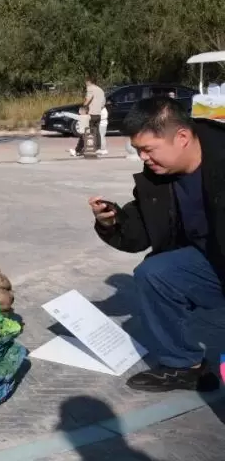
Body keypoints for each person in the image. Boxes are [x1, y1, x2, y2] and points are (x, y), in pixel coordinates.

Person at [89, 97, 225, 392]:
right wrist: (111, 222)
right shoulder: (159, 176)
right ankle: (184, 367)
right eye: (138, 151)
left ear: (182, 137)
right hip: (211, 263)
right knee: (155, 272)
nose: (144, 158)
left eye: (148, 150)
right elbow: (140, 230)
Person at [84, 75, 106, 155]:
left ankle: (89, 147)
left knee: (89, 131)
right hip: (98, 113)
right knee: (97, 131)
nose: (86, 84)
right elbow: (103, 103)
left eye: (86, 82)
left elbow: (88, 99)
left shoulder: (90, 88)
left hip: (91, 113)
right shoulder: (101, 90)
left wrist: (83, 107)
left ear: (89, 82)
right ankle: (98, 147)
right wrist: (98, 108)